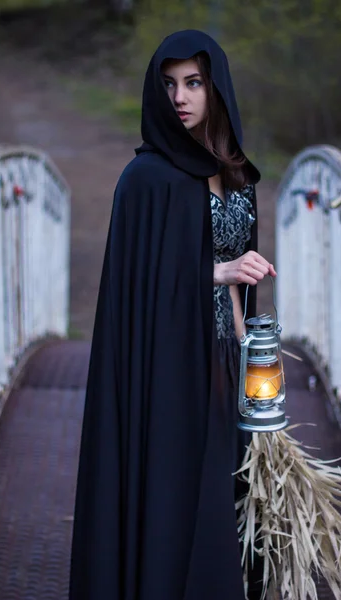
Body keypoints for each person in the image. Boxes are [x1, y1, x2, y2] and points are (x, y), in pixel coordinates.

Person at [69, 29, 276, 600]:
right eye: (169, 85)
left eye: (193, 83)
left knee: (227, 500)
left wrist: (250, 368)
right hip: (164, 369)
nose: (180, 97)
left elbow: (238, 288)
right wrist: (218, 270)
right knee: (179, 500)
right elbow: (136, 287)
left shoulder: (236, 174)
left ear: (217, 89)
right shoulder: (146, 180)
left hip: (223, 362)